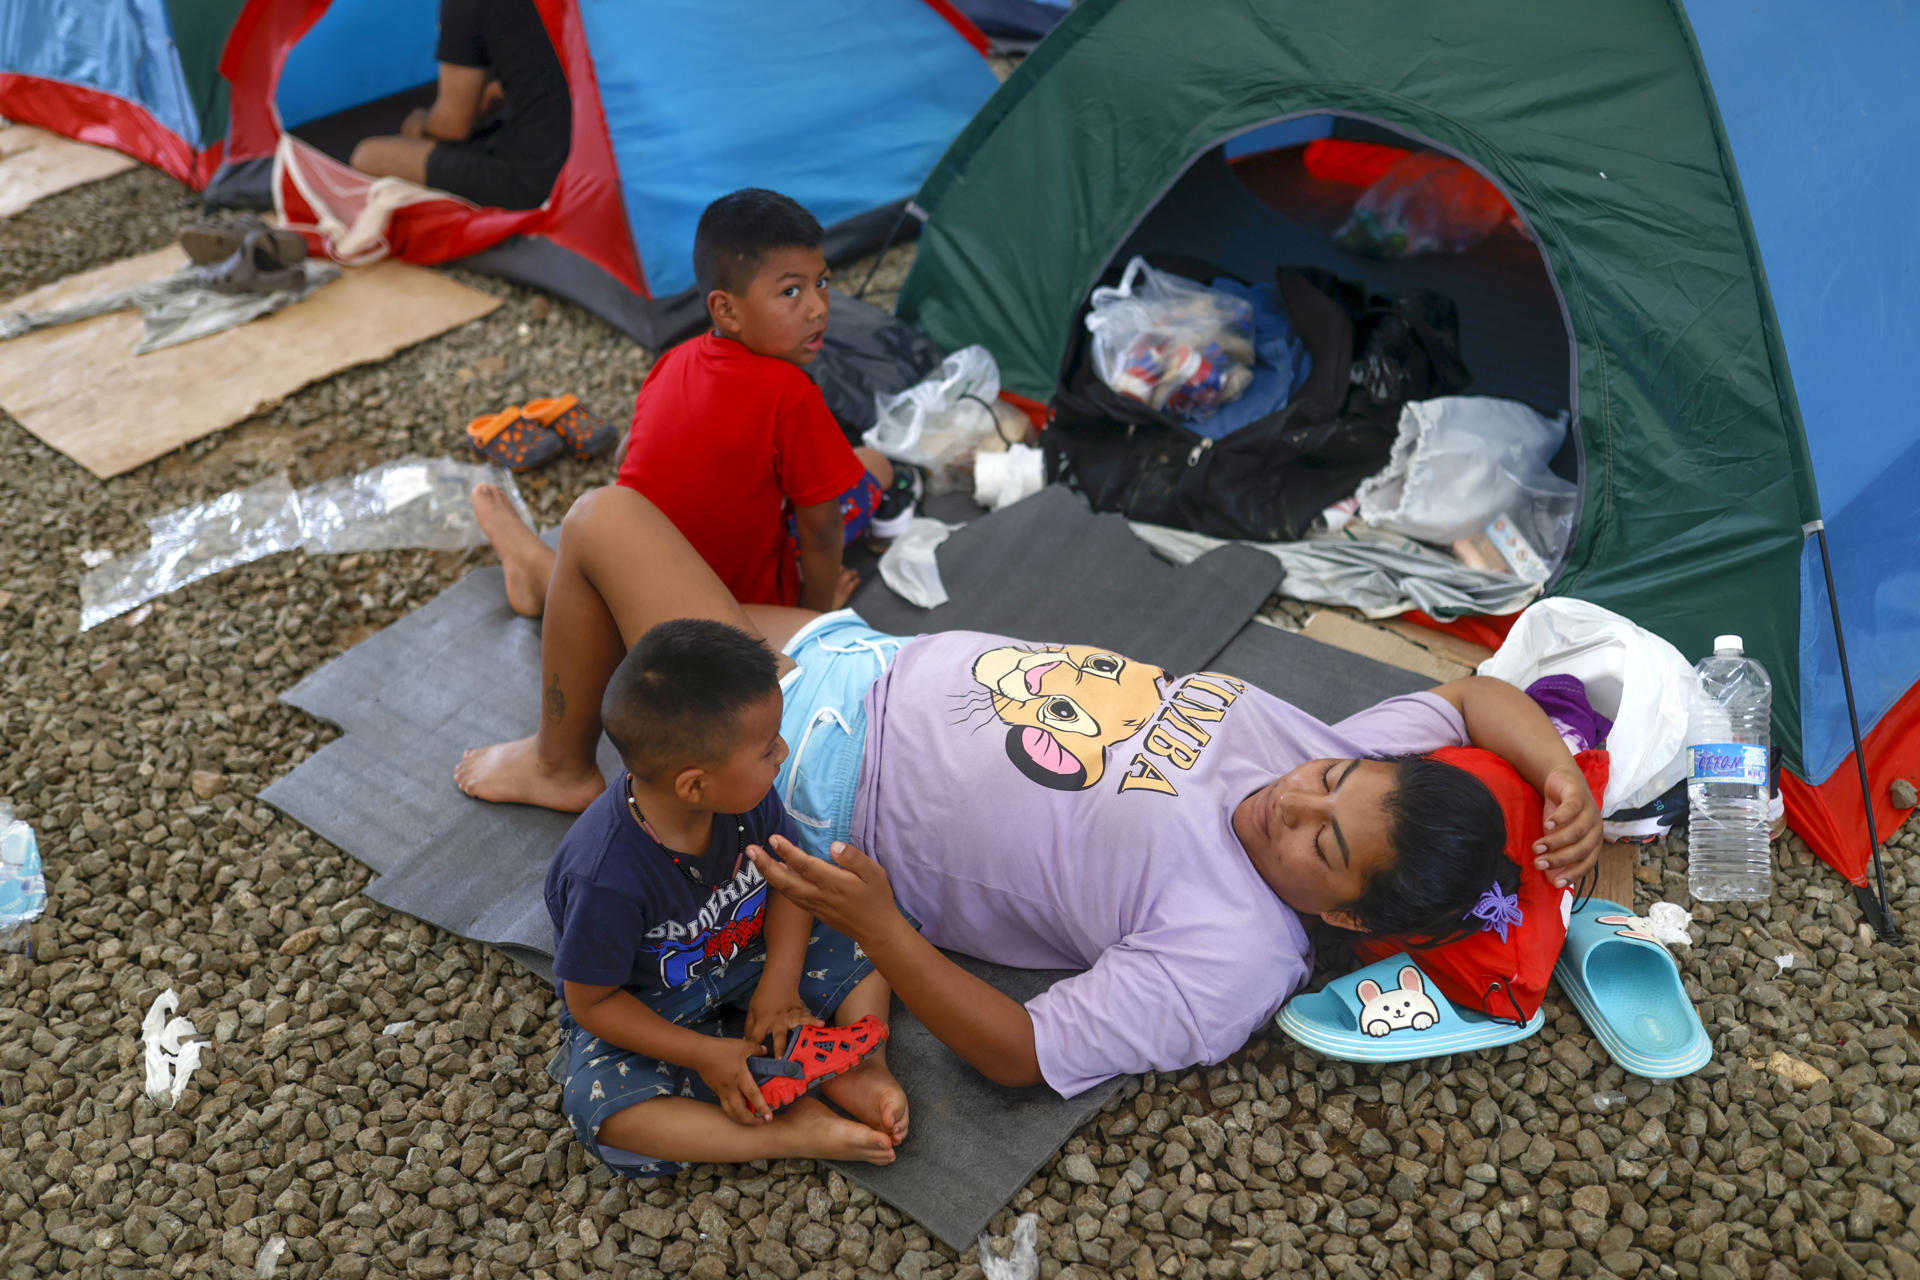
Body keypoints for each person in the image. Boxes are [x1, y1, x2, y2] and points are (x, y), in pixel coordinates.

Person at [459, 491, 1602, 1096]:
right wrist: (1553, 772)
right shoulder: (1335, 751)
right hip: (874, 658)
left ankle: (563, 761)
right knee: (631, 588)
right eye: (1331, 778)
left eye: (1323, 843)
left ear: (1346, 914)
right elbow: (1468, 702)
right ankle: (545, 584)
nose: (1291, 799)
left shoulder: (1233, 957)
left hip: (810, 757)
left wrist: (883, 931)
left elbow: (1016, 1050)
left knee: (612, 520)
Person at [546, 617, 908, 1175]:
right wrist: (701, 1053)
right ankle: (789, 1130)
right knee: (601, 1108)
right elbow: (591, 1003)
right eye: (767, 749)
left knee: (869, 916)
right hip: (653, 1004)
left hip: (751, 953)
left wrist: (780, 983)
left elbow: (788, 888)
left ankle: (857, 1066)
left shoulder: (748, 801)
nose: (784, 753)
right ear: (695, 785)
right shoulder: (604, 877)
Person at [469, 188, 912, 620]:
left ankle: (535, 563)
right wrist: (816, 615)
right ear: (727, 311)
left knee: (604, 600)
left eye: (821, 282)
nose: (818, 307)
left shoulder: (673, 362)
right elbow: (822, 530)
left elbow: (628, 455)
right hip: (718, 616)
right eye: (791, 292)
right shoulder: (790, 393)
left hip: (623, 574)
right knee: (875, 464)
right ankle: (540, 568)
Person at [349, 0, 572, 211]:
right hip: (591, 153)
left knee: (368, 155)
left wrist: (420, 125)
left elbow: (452, 126)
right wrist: (503, 89)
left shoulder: (465, 5)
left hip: (542, 180)